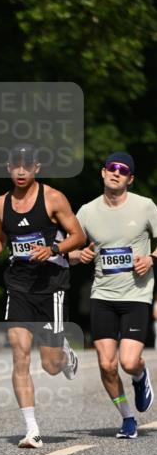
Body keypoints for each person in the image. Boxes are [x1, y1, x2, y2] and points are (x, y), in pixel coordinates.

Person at [0, 145, 85, 447]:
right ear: (8, 168)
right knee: (19, 353)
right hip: (19, 286)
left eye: (26, 166)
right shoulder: (0, 204)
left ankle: (63, 352)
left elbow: (78, 236)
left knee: (50, 366)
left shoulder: (53, 198)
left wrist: (52, 250)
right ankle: (32, 429)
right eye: (15, 166)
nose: (21, 171)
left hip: (50, 286)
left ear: (37, 167)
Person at [70, 153, 156, 436]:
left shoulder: (145, 207)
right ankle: (128, 418)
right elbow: (65, 250)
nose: (116, 173)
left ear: (130, 179)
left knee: (128, 362)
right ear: (102, 173)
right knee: (107, 365)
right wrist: (77, 254)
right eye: (111, 168)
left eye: (123, 170)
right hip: (103, 296)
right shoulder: (86, 212)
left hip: (136, 295)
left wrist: (151, 258)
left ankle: (140, 376)